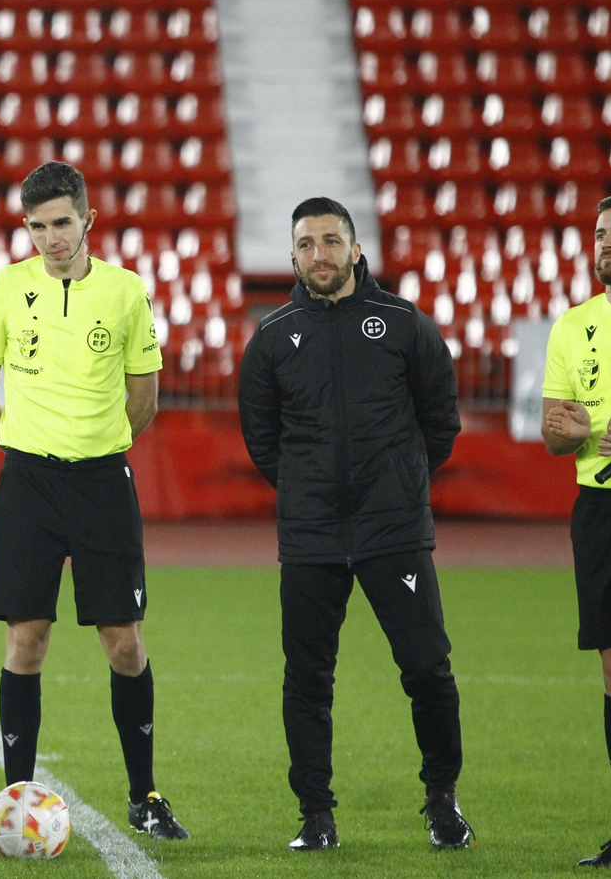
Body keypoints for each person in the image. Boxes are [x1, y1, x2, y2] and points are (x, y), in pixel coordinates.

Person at [0, 161, 188, 841]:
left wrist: (94, 444)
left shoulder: (125, 292)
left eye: (62, 223)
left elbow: (143, 398)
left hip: (100, 483)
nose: (51, 237)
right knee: (25, 641)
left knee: (123, 643)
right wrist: (27, 444)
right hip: (28, 482)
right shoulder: (7, 287)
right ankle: (16, 798)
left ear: (87, 220)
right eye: (38, 226)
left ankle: (144, 794)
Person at [238, 196, 471, 852]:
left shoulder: (404, 324)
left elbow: (441, 421)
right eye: (308, 243)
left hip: (393, 530)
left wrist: (397, 483)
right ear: (292, 254)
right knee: (308, 682)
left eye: (332, 241)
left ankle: (442, 801)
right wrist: (308, 489)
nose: (321, 254)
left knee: (428, 669)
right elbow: (263, 442)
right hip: (310, 537)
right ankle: (316, 815)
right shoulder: (273, 337)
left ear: (356, 248)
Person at [539, 195, 611, 867]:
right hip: (600, 510)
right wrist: (580, 430)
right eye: (598, 234)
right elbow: (553, 430)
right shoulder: (573, 327)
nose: (605, 244)